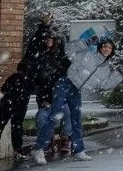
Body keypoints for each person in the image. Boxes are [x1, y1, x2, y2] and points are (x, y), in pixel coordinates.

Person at [0, 24, 62, 159]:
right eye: (47, 39)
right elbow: (35, 43)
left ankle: (17, 149)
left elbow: (46, 83)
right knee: (3, 118)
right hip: (15, 87)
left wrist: (46, 98)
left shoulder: (50, 60)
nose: (49, 41)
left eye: (52, 39)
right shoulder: (35, 52)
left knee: (17, 121)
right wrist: (44, 26)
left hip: (24, 90)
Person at [32, 33, 90, 164]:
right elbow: (43, 83)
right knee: (52, 116)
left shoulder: (73, 58)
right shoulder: (51, 58)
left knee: (75, 116)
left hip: (72, 87)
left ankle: (77, 148)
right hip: (59, 88)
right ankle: (40, 147)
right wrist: (44, 100)